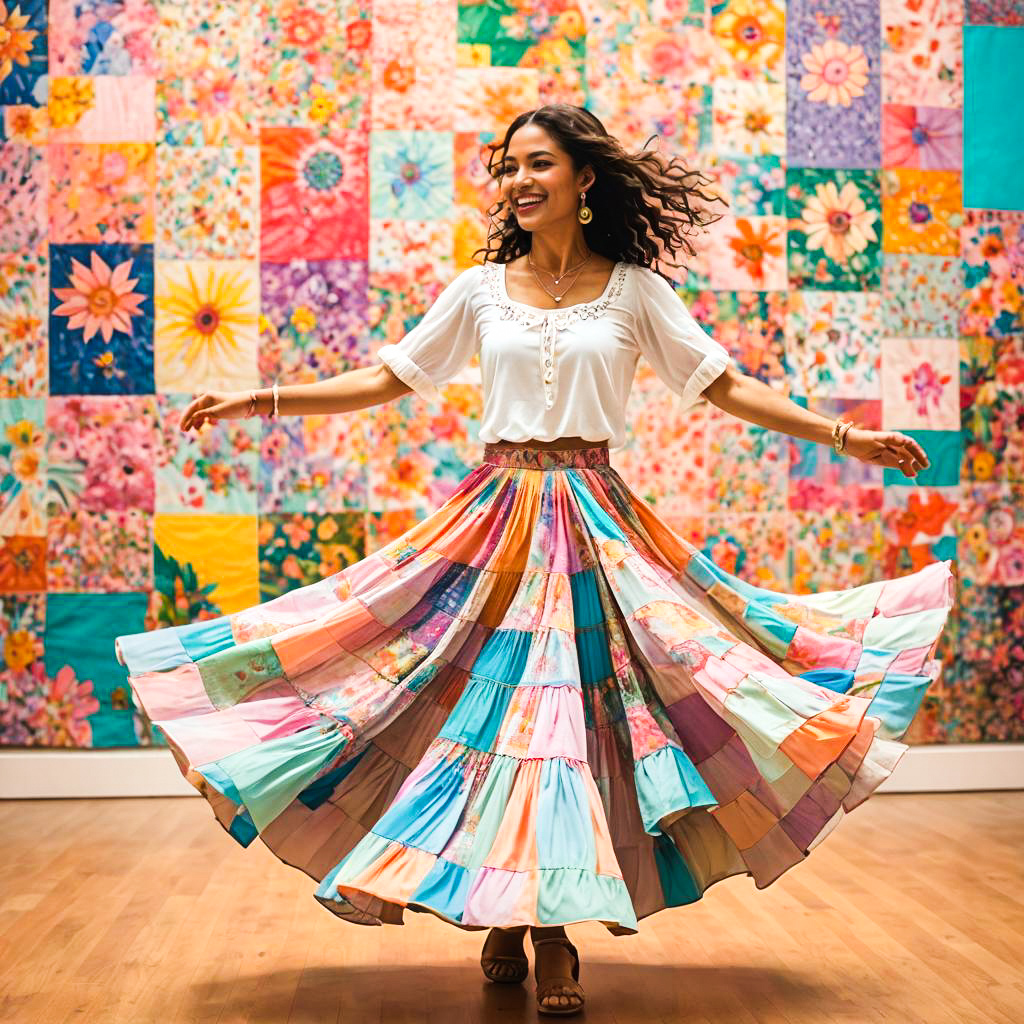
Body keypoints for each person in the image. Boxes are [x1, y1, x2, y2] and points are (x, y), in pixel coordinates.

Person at [115, 104, 954, 1017]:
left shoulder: (634, 291)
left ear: (583, 179)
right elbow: (385, 379)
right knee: (484, 714)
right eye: (506, 167)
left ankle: (551, 933)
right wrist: (258, 398)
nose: (517, 181)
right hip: (496, 521)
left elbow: (727, 386)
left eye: (537, 164)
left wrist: (845, 434)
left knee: (578, 722)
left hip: (595, 521)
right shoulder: (480, 291)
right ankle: (513, 918)